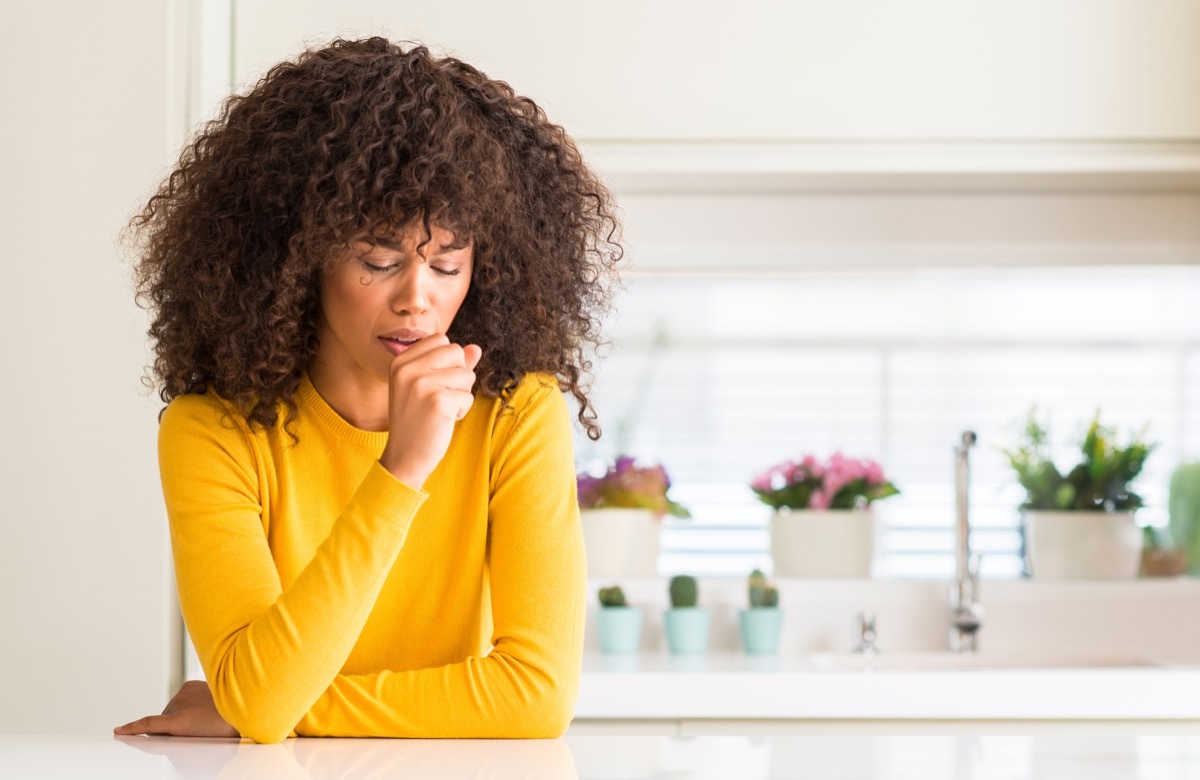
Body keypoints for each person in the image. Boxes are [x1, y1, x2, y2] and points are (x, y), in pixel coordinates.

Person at [113, 37, 620, 743]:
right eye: (379, 260)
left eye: (447, 265)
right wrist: (403, 469)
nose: (418, 299)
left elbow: (535, 698)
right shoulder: (214, 433)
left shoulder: (516, 412)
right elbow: (262, 704)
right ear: (297, 257)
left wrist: (268, 703)